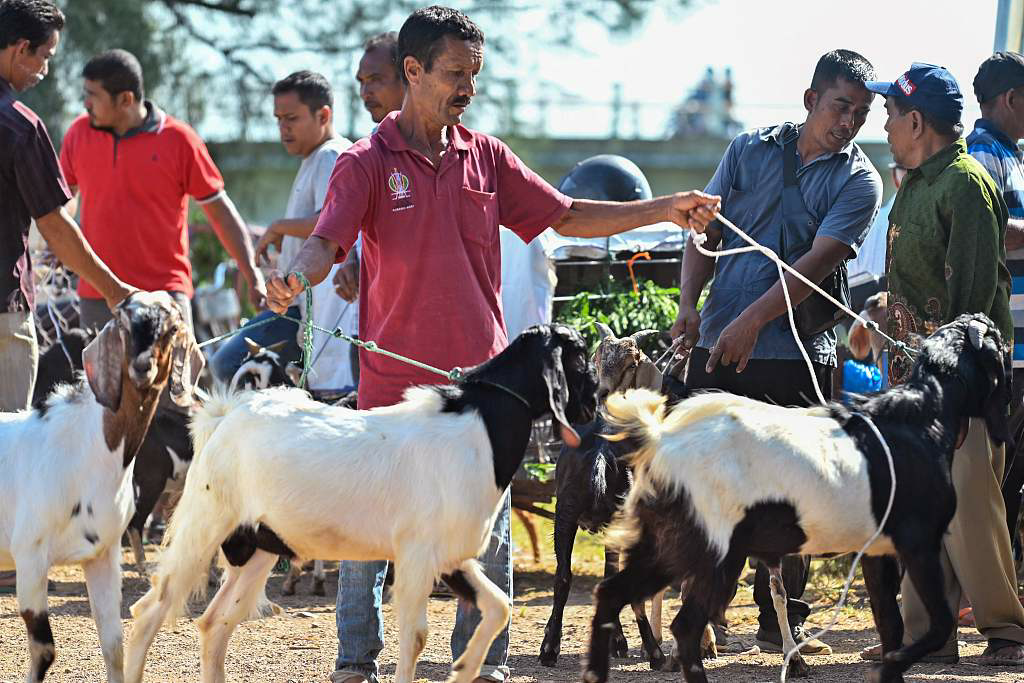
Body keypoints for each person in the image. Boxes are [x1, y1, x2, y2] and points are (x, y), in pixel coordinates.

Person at [264, 9, 718, 683]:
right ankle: (356, 663)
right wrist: (296, 277)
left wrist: (662, 208)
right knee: (368, 535)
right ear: (413, 71)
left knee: (489, 537)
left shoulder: (488, 157)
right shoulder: (365, 162)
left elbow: (566, 214)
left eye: (474, 74)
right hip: (392, 392)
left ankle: (482, 664)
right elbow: (327, 240)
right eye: (455, 73)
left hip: (485, 393)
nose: (468, 88)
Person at [670, 49, 883, 655]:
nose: (849, 121)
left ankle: (782, 621)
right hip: (718, 343)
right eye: (840, 106)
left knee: (793, 494)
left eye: (862, 113)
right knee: (707, 486)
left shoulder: (860, 181)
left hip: (797, 354)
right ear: (811, 99)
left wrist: (750, 322)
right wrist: (689, 304)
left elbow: (816, 265)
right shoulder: (746, 149)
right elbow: (705, 230)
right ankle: (702, 612)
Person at [859, 62, 1024, 666]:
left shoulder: (965, 185)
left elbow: (974, 304)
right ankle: (929, 634)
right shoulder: (914, 187)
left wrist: (952, 394)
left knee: (972, 507)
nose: (883, 125)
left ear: (916, 122)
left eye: (889, 114)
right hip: (918, 386)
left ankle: (1006, 631)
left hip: (959, 387)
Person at [0, 0, 134, 590]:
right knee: (8, 452)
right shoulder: (19, 125)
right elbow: (55, 225)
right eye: (45, 56)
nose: (46, 69)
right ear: (19, 50)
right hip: (2, 313)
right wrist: (116, 291)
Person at [58, 48, 264, 334]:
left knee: (176, 367)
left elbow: (220, 212)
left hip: (165, 296)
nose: (86, 103)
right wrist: (57, 233)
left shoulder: (180, 140)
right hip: (97, 296)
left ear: (125, 99)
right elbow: (65, 198)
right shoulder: (78, 133)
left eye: (93, 96)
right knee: (96, 368)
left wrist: (252, 273)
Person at [213, 71, 354, 390]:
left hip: (316, 308)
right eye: (278, 119)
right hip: (295, 302)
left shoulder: (331, 154)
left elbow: (333, 219)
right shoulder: (313, 157)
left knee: (227, 363)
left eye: (291, 118)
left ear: (323, 116)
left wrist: (279, 227)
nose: (283, 128)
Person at [966, 51, 1024, 555]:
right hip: (1005, 346)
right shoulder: (983, 153)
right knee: (1001, 473)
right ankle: (987, 581)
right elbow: (988, 231)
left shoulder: (1012, 153)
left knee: (1014, 473)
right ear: (1010, 99)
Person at [333, 31, 407, 304]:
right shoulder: (365, 154)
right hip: (377, 315)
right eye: (362, 82)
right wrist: (352, 256)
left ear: (410, 75)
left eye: (376, 79)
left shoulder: (450, 150)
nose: (365, 92)